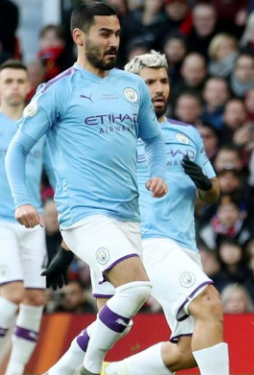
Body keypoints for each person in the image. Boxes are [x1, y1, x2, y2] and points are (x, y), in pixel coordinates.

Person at [5, 4, 168, 375]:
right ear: (79, 37)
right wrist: (23, 201)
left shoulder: (132, 88)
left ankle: (58, 373)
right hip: (83, 216)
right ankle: (92, 369)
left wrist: (158, 172)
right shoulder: (57, 91)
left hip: (127, 215)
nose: (114, 43)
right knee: (138, 287)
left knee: (117, 320)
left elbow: (154, 141)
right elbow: (17, 150)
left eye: (117, 34)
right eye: (104, 34)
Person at [97, 50, 224, 375]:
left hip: (184, 245)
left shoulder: (188, 134)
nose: (159, 88)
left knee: (188, 351)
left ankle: (110, 372)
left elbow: (213, 194)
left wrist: (204, 185)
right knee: (209, 304)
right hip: (148, 244)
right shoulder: (116, 135)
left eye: (163, 81)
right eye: (149, 81)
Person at [0, 60, 48, 375]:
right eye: (8, 81)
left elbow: (54, 169)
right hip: (1, 220)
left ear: (27, 85)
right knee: (13, 293)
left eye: (20, 80)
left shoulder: (37, 125)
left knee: (34, 297)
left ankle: (15, 371)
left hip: (34, 221)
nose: (15, 86)